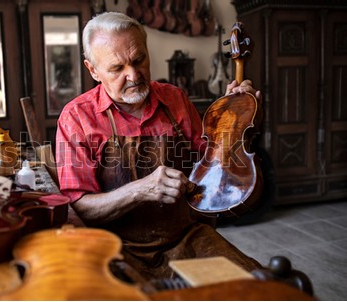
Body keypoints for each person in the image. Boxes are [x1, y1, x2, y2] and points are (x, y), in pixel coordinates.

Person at [56, 12, 262, 281]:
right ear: (93, 70)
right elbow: (79, 205)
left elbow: (216, 166)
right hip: (116, 249)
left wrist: (232, 121)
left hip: (187, 239)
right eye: (117, 68)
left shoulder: (175, 99)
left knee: (260, 290)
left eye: (139, 59)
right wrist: (141, 190)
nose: (133, 75)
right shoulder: (76, 118)